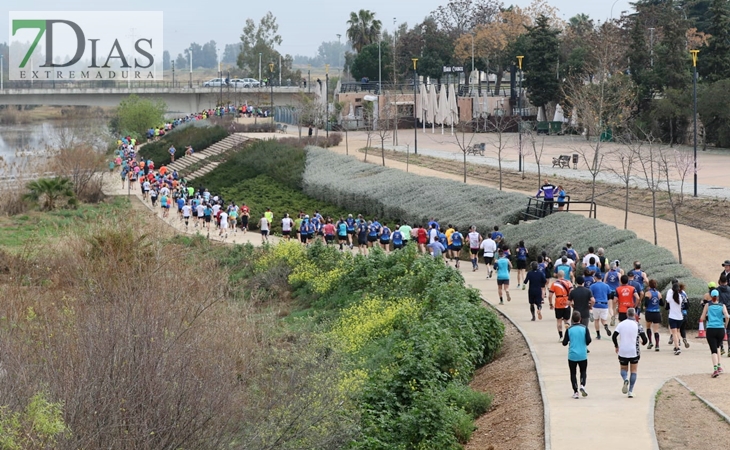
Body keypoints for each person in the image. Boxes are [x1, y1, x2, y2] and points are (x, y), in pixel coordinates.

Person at [612, 308, 647, 398]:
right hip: (634, 351)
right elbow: (645, 340)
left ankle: (625, 378)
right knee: (634, 371)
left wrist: (616, 346)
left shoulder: (621, 324)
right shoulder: (638, 325)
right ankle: (630, 391)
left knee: (623, 369)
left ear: (627, 314)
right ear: (634, 315)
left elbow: (614, 336)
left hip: (623, 350)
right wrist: (642, 342)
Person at [701, 289, 730, 377]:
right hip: (720, 329)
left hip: (711, 329)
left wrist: (707, 319)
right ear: (718, 297)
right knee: (718, 347)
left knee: (713, 350)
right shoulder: (722, 305)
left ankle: (715, 369)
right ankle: (719, 365)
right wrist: (725, 325)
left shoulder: (707, 305)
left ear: (711, 296)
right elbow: (727, 316)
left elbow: (702, 318)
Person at [563, 311, 591, 399]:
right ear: (580, 319)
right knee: (583, 371)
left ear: (572, 320)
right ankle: (582, 385)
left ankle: (575, 392)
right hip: (582, 354)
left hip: (572, 355)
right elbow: (588, 340)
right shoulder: (584, 328)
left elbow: (564, 343)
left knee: (573, 373)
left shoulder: (569, 329)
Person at [549, 270, 573, 340]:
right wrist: (571, 300)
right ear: (564, 275)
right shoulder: (568, 282)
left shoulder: (554, 284)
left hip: (558, 303)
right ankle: (567, 335)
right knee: (567, 320)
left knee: (559, 320)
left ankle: (561, 336)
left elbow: (550, 295)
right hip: (566, 302)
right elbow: (572, 292)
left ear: (557, 275)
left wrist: (551, 304)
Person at [643, 279, 664, 352]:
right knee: (656, 330)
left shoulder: (648, 293)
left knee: (648, 327)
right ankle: (657, 345)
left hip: (649, 312)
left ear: (649, 285)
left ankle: (650, 342)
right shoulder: (659, 293)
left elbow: (646, 303)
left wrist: (644, 307)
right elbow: (662, 304)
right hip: (656, 312)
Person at [590, 272, 612, 339]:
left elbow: (591, 296)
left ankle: (598, 335)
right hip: (604, 305)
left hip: (596, 304)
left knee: (596, 320)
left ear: (595, 278)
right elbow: (609, 294)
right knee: (604, 320)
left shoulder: (592, 286)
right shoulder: (606, 286)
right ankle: (605, 325)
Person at [666, 280, 685, 355]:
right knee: (678, 331)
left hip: (672, 316)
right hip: (680, 316)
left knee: (674, 333)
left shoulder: (670, 296)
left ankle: (677, 347)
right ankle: (677, 343)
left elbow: (667, 304)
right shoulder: (680, 296)